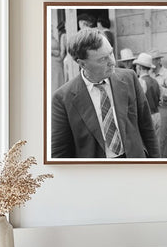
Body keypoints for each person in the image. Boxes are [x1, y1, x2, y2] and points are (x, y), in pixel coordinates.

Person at [52, 28, 160, 159]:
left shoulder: (129, 78)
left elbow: (147, 129)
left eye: (111, 53)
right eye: (103, 59)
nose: (112, 62)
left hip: (134, 163)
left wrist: (155, 165)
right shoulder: (62, 99)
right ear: (82, 63)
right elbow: (60, 154)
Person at [133, 53, 161, 139]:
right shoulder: (155, 81)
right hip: (157, 115)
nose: (136, 69)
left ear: (140, 68)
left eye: (137, 67)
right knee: (156, 144)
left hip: (147, 117)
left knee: (146, 143)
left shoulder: (140, 82)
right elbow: (160, 99)